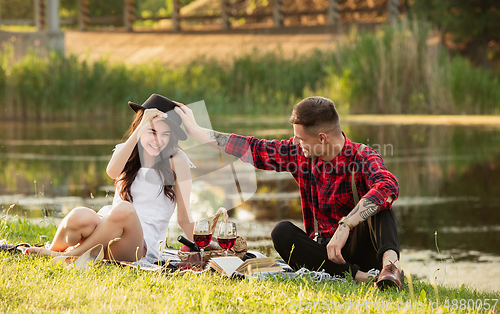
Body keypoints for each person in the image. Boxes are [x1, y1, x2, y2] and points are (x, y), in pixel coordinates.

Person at [174, 96, 403, 289]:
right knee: (281, 232)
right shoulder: (299, 154)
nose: (295, 142)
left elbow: (387, 185)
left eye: (301, 138)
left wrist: (346, 226)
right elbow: (251, 148)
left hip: (360, 248)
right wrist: (197, 131)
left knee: (380, 203)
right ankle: (357, 276)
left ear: (322, 138)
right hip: (323, 254)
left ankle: (390, 269)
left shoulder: (362, 156)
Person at [28, 94, 195, 262]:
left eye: (165, 134)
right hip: (107, 232)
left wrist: (202, 246)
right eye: (151, 131)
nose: (158, 140)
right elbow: (112, 172)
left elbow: (184, 217)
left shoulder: (176, 160)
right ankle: (52, 251)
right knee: (80, 214)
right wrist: (139, 130)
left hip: (139, 246)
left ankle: (68, 256)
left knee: (125, 209)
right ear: (140, 127)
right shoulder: (127, 151)